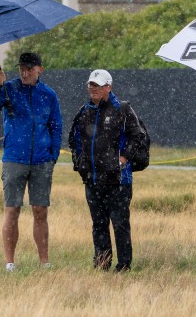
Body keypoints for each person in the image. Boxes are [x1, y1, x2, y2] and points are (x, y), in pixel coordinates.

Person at [0, 51, 63, 272]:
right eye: (21, 69)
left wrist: (52, 156)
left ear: (40, 69)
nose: (24, 73)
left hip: (42, 161)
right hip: (14, 159)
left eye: (29, 69)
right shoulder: (8, 89)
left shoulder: (49, 95)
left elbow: (56, 126)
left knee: (40, 211)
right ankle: (10, 262)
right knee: (12, 209)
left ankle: (44, 262)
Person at [69, 69, 144, 272]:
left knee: (120, 224)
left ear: (108, 87)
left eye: (98, 85)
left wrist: (123, 158)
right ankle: (102, 263)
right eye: (91, 85)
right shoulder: (84, 111)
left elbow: (138, 136)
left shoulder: (123, 109)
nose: (93, 89)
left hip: (118, 180)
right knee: (98, 224)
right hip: (92, 180)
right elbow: (74, 140)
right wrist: (80, 163)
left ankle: (124, 265)